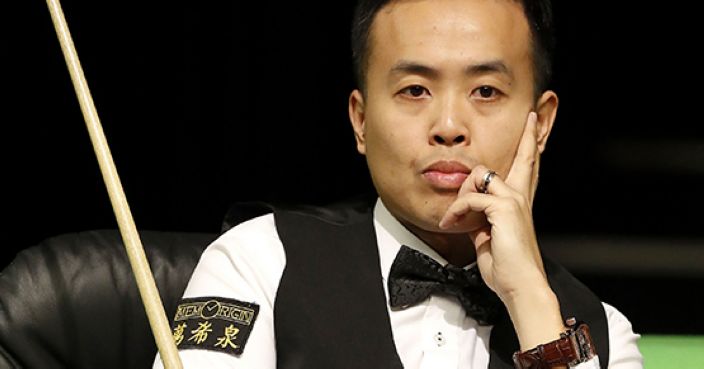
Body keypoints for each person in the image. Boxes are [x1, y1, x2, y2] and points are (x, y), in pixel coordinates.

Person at [155, 0, 643, 368]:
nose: (449, 124)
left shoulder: (603, 334)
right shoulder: (259, 260)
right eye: (415, 90)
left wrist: (531, 302)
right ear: (361, 121)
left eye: (486, 91)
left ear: (540, 126)